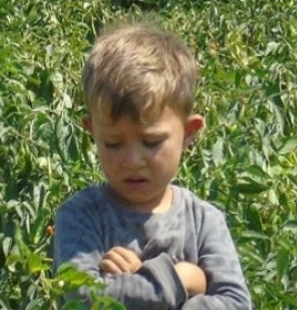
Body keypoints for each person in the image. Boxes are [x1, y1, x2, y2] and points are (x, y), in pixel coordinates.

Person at [53, 21, 252, 309]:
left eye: (151, 142)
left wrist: (140, 281)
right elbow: (84, 297)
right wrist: (184, 280)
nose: (132, 161)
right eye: (112, 143)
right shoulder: (80, 216)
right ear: (92, 133)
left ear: (188, 133)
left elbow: (236, 304)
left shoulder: (204, 221)